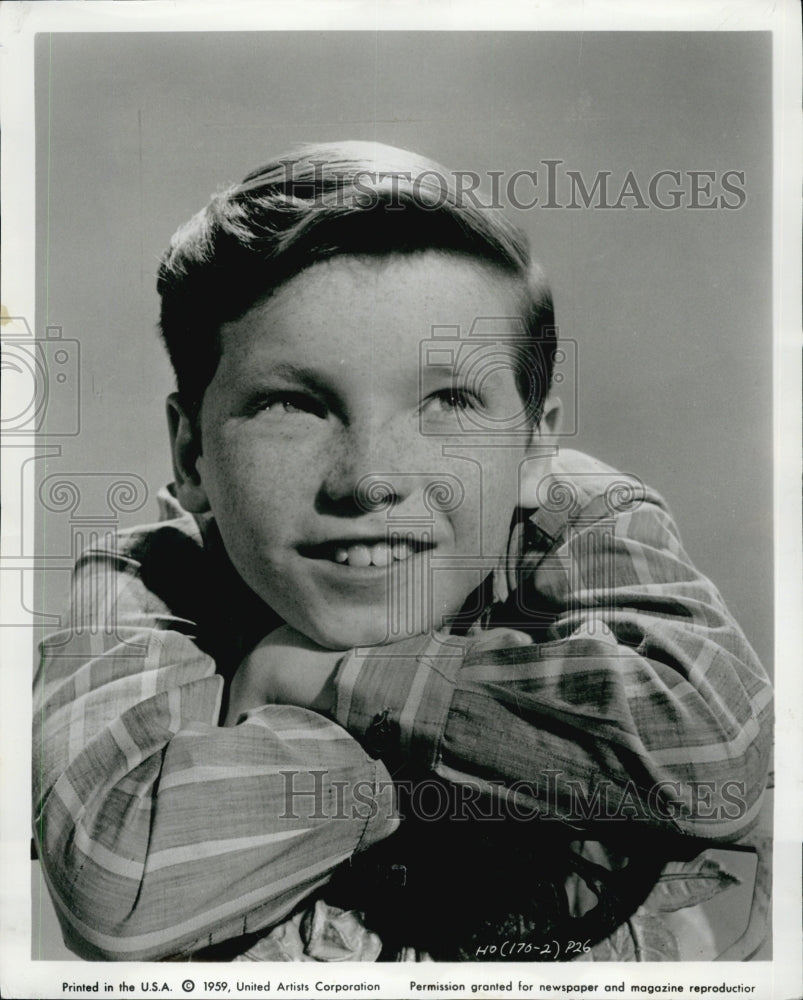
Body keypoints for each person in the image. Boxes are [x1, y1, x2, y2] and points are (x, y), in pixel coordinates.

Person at [33, 142, 773, 963]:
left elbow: (713, 764)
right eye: (290, 405)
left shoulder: (578, 515)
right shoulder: (146, 580)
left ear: (535, 446)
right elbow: (117, 885)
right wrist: (521, 760)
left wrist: (321, 682)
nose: (369, 480)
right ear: (190, 455)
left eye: (448, 400)